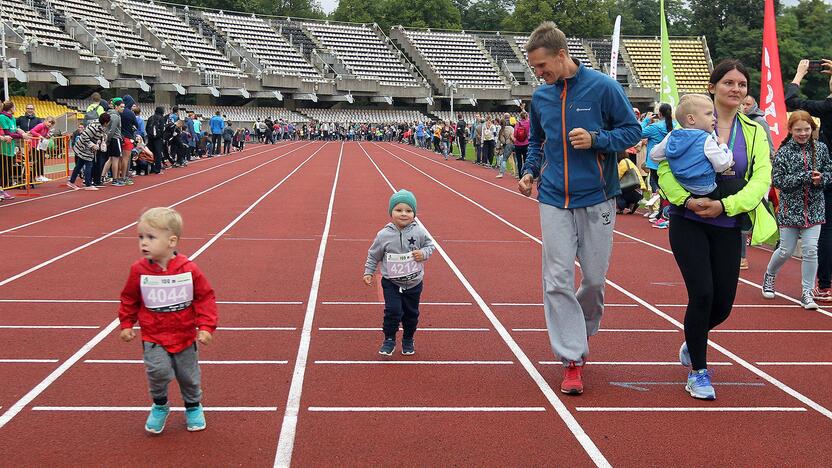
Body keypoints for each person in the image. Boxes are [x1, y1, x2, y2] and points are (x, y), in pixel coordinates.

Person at [518, 22, 641, 395]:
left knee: (593, 279)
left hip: (597, 197)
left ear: (561, 54)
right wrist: (529, 171)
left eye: (542, 66)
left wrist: (597, 139)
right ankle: (571, 357)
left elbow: (632, 131)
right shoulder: (540, 99)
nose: (539, 74)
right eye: (534, 69)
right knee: (556, 279)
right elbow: (537, 142)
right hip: (553, 197)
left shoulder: (604, 88)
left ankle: (581, 333)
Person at [657, 60, 777, 401]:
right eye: (728, 82)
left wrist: (725, 206)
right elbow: (664, 170)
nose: (736, 89)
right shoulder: (689, 125)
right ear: (713, 87)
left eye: (742, 83)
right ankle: (698, 371)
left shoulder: (754, 131)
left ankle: (693, 337)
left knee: (722, 305)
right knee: (703, 294)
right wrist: (688, 201)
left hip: (728, 222)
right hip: (689, 220)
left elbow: (760, 180)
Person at [118, 207, 218, 434]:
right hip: (154, 336)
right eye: (140, 237)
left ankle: (193, 406)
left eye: (151, 237)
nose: (143, 242)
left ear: (171, 241)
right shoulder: (138, 270)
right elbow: (129, 298)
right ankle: (160, 404)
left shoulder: (188, 269)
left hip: (184, 336)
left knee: (189, 376)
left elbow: (205, 297)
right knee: (158, 372)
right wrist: (126, 324)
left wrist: (206, 326)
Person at [762, 111, 831, 309]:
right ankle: (770, 275)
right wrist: (805, 177)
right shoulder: (783, 152)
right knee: (785, 250)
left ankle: (807, 293)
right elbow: (779, 181)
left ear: (813, 129)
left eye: (807, 129)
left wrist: (822, 179)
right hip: (790, 209)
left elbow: (829, 171)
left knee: (811, 250)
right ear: (790, 130)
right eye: (798, 130)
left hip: (815, 208)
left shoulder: (821, 148)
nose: (803, 133)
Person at [363, 190, 435, 356]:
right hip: (391, 282)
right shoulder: (383, 235)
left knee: (411, 313)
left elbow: (430, 246)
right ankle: (389, 339)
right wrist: (369, 272)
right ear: (391, 212)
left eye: (409, 211)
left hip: (414, 281)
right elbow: (374, 255)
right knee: (393, 311)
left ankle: (408, 338)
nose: (404, 214)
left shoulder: (419, 232)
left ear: (414, 213)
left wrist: (423, 254)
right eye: (399, 210)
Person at [786, 59, 832, 301]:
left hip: (827, 173)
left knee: (826, 229)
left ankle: (825, 285)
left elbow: (792, 102)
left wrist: (799, 74)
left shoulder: (828, 106)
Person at [650, 94, 734, 199]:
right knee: (738, 185)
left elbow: (654, 156)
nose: (714, 118)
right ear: (691, 119)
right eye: (709, 114)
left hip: (681, 186)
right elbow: (722, 164)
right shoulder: (706, 139)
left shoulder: (672, 136)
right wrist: (723, 146)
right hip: (705, 190)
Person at [641, 103, 675, 220]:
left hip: (655, 164)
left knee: (659, 189)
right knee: (668, 189)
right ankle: (663, 212)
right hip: (671, 163)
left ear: (659, 114)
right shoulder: (677, 126)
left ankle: (662, 213)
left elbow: (636, 133)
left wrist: (645, 121)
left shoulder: (654, 127)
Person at [68, 113, 110, 191]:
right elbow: (84, 137)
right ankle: (88, 184)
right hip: (83, 148)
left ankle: (71, 181)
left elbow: (97, 136)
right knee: (88, 165)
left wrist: (100, 141)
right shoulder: (94, 127)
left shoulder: (98, 126)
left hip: (85, 148)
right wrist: (92, 145)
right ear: (105, 122)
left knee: (79, 165)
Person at [496, 113, 515, 178]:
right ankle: (517, 173)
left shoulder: (502, 131)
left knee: (504, 159)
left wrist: (499, 147)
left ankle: (501, 173)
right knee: (517, 159)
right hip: (516, 144)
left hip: (508, 145)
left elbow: (503, 141)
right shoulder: (511, 127)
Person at [513, 110, 530, 178]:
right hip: (526, 143)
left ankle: (520, 176)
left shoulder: (518, 124)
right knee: (526, 160)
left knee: (519, 161)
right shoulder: (528, 123)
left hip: (517, 144)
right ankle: (526, 174)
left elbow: (514, 134)